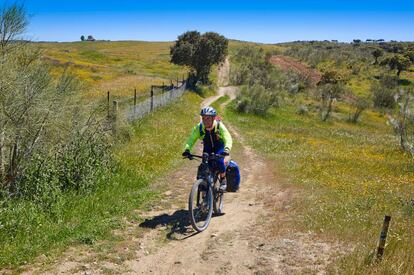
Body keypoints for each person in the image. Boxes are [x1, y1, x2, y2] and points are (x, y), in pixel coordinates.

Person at [182, 106, 233, 192]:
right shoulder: (200, 128)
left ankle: (223, 180)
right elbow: (191, 139)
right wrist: (187, 149)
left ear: (213, 118)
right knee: (204, 166)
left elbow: (228, 138)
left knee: (220, 161)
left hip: (219, 147)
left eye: (208, 118)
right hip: (207, 147)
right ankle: (203, 186)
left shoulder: (219, 126)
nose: (205, 121)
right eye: (203, 118)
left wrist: (226, 149)